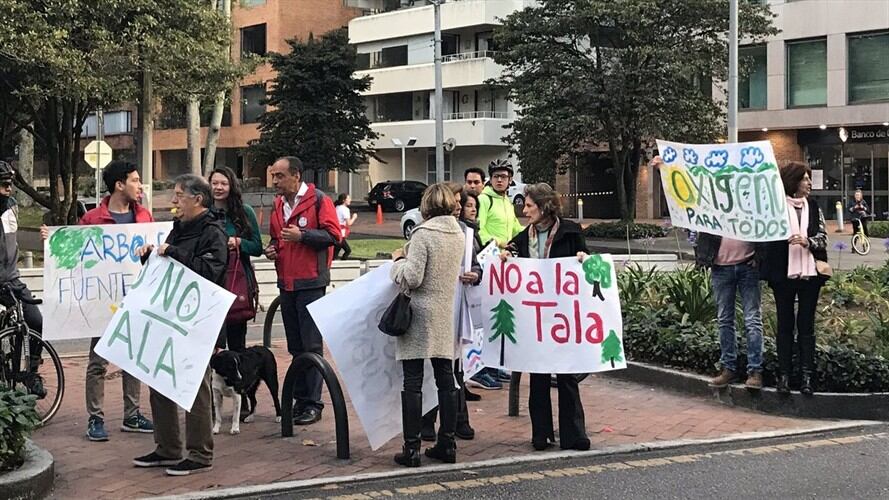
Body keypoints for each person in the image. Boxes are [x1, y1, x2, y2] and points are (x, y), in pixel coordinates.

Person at [41, 160, 155, 441]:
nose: (139, 186)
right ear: (119, 184)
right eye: (135, 180)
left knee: (133, 359)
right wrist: (52, 240)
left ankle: (132, 415)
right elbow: (75, 254)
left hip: (134, 299)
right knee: (98, 361)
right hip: (103, 303)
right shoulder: (93, 219)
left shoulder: (145, 218)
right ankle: (96, 418)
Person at [132, 174, 228, 476]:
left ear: (197, 199)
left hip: (198, 321)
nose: (173, 202)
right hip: (170, 317)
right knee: (160, 379)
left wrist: (172, 252)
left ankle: (200, 453)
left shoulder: (213, 233)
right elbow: (171, 270)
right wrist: (150, 258)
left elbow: (209, 272)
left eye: (178, 196)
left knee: (194, 385)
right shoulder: (179, 229)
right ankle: (168, 448)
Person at [650, 156, 765, 390]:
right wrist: (664, 169)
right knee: (725, 319)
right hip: (721, 268)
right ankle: (729, 368)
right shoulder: (708, 202)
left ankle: (755, 371)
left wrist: (760, 258)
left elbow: (767, 229)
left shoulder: (752, 203)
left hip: (747, 266)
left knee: (752, 320)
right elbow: (683, 197)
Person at [504, 183, 590, 452]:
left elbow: (588, 263)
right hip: (535, 316)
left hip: (563, 314)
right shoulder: (522, 238)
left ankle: (574, 434)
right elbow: (510, 258)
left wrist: (584, 258)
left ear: (544, 207)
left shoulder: (571, 233)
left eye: (529, 205)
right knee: (538, 374)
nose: (525, 210)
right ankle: (540, 434)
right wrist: (506, 256)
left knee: (566, 374)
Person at [390, 183, 465, 467]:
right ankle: (448, 442)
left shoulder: (423, 233)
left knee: (413, 380)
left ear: (426, 205)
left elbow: (413, 277)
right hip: (444, 312)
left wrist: (397, 262)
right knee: (446, 378)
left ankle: (412, 449)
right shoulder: (457, 233)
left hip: (418, 314)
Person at [265, 156, 340, 425]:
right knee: (295, 346)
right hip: (286, 281)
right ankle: (299, 401)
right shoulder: (277, 205)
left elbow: (334, 236)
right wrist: (272, 249)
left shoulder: (319, 200)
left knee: (311, 345)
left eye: (279, 176)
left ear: (296, 176)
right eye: (274, 176)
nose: (275, 181)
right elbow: (277, 238)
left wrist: (304, 236)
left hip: (311, 282)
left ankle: (313, 404)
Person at [760, 162, 829, 396]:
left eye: (809, 179)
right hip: (783, 274)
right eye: (805, 179)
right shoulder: (776, 208)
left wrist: (807, 241)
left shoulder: (813, 205)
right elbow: (766, 237)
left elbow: (823, 237)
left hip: (810, 274)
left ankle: (807, 376)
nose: (809, 184)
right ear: (793, 181)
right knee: (785, 324)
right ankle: (784, 375)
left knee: (806, 325)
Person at [420, 188, 482, 442]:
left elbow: (477, 264)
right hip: (437, 305)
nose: (458, 206)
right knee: (433, 367)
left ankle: (459, 420)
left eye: (461, 202)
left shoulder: (467, 233)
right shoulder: (426, 232)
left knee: (455, 367)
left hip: (458, 306)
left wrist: (476, 274)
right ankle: (427, 421)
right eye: (454, 202)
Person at [0, 161, 45, 398]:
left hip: (11, 279)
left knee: (34, 319)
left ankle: (29, 373)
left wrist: (46, 238)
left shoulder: (12, 207)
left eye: (10, 184)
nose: (8, 189)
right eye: (4, 184)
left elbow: (17, 242)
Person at [209, 166, 262, 352]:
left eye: (224, 183)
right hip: (210, 284)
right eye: (214, 183)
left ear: (232, 185)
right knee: (212, 346)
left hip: (236, 281)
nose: (218, 187)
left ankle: (238, 380)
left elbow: (257, 247)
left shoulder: (244, 212)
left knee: (237, 343)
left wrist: (239, 242)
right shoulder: (204, 212)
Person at [477, 159, 523, 248]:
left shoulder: (507, 202)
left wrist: (534, 229)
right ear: (490, 179)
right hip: (490, 256)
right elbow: (479, 231)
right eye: (496, 176)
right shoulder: (483, 199)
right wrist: (498, 243)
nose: (499, 180)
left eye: (503, 176)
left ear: (510, 180)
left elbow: (515, 229)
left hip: (505, 256)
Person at [334, 193, 357, 260]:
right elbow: (349, 223)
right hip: (341, 233)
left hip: (336, 231)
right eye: (348, 198)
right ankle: (342, 263)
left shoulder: (337, 207)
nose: (350, 200)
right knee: (347, 250)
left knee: (336, 250)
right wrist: (354, 217)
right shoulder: (345, 210)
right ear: (344, 200)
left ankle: (333, 263)